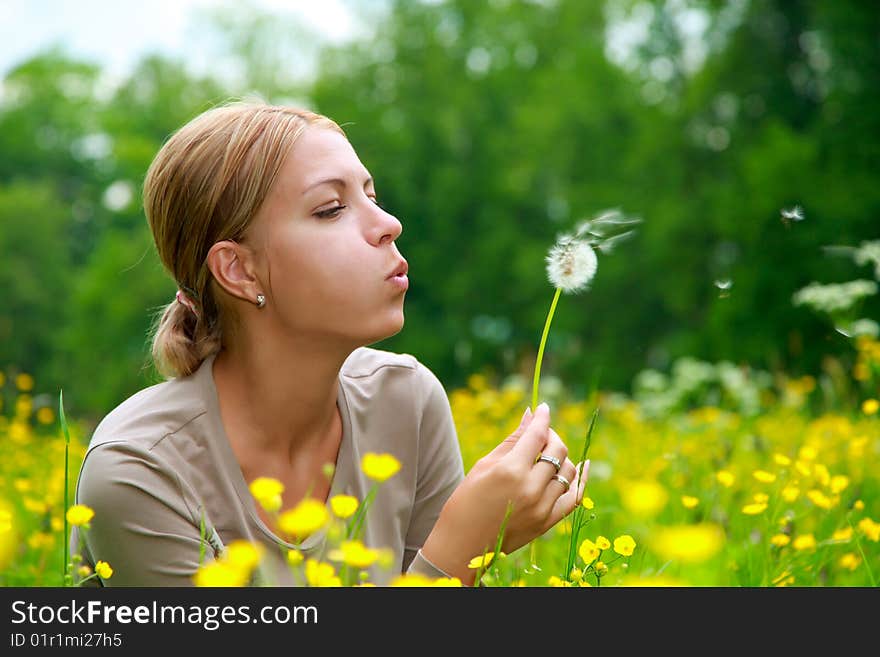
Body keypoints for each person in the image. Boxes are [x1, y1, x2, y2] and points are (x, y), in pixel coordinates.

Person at [70, 101, 588, 587]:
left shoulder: (406, 403)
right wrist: (464, 549)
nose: (389, 225)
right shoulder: (140, 471)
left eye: (372, 196)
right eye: (332, 209)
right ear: (239, 269)